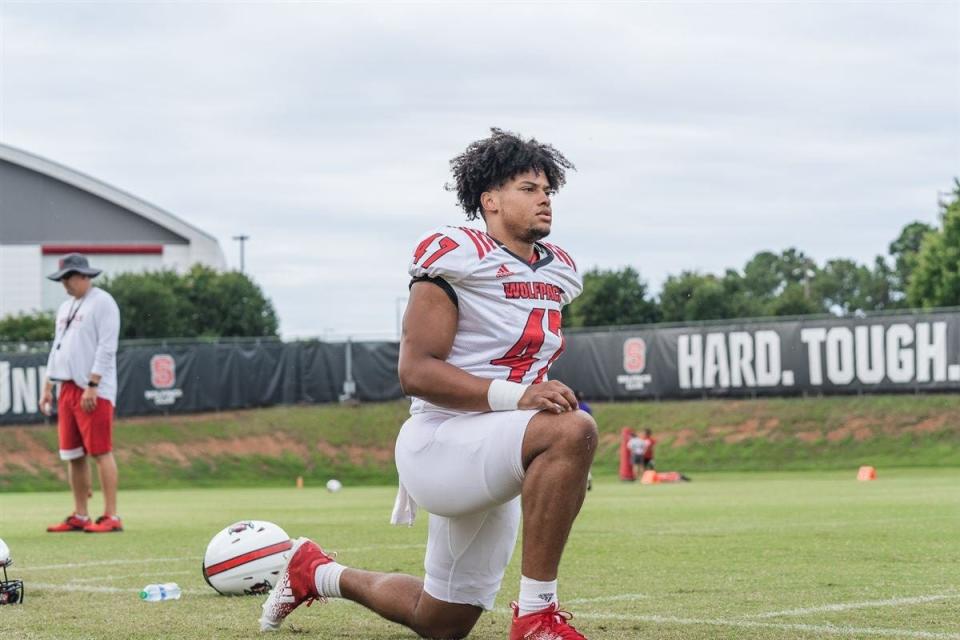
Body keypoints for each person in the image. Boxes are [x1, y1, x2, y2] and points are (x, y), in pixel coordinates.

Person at [259, 128, 596, 639]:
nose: (544, 197)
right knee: (572, 430)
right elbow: (415, 372)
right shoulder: (458, 254)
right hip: (442, 441)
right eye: (528, 188)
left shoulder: (559, 271)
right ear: (490, 201)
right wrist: (534, 414)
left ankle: (317, 572)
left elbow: (523, 366)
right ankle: (536, 616)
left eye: (548, 189)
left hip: (496, 442)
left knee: (442, 622)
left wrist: (554, 458)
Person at [39, 253, 123, 533]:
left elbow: (107, 346)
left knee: (100, 450)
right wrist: (48, 383)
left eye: (68, 278)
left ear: (84, 276)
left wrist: (94, 384)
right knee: (72, 453)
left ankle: (111, 516)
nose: (65, 284)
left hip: (92, 389)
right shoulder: (65, 307)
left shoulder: (103, 302)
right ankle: (81, 514)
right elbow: (58, 346)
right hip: (66, 387)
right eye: (62, 279)